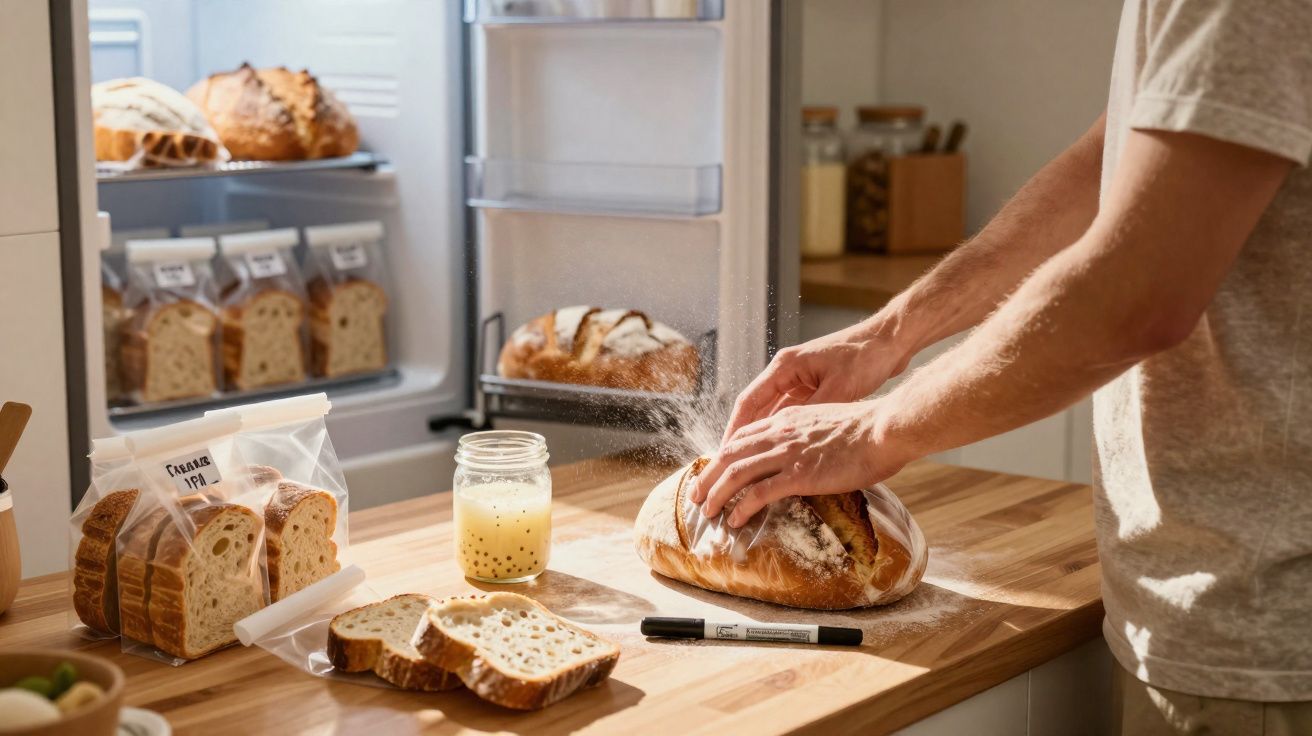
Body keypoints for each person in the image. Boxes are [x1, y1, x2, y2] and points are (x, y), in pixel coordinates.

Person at [692, 2, 1312, 734]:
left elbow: (1138, 293)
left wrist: (875, 429)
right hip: (1208, 603)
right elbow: (1115, 159)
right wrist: (889, 334)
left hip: (1265, 631)